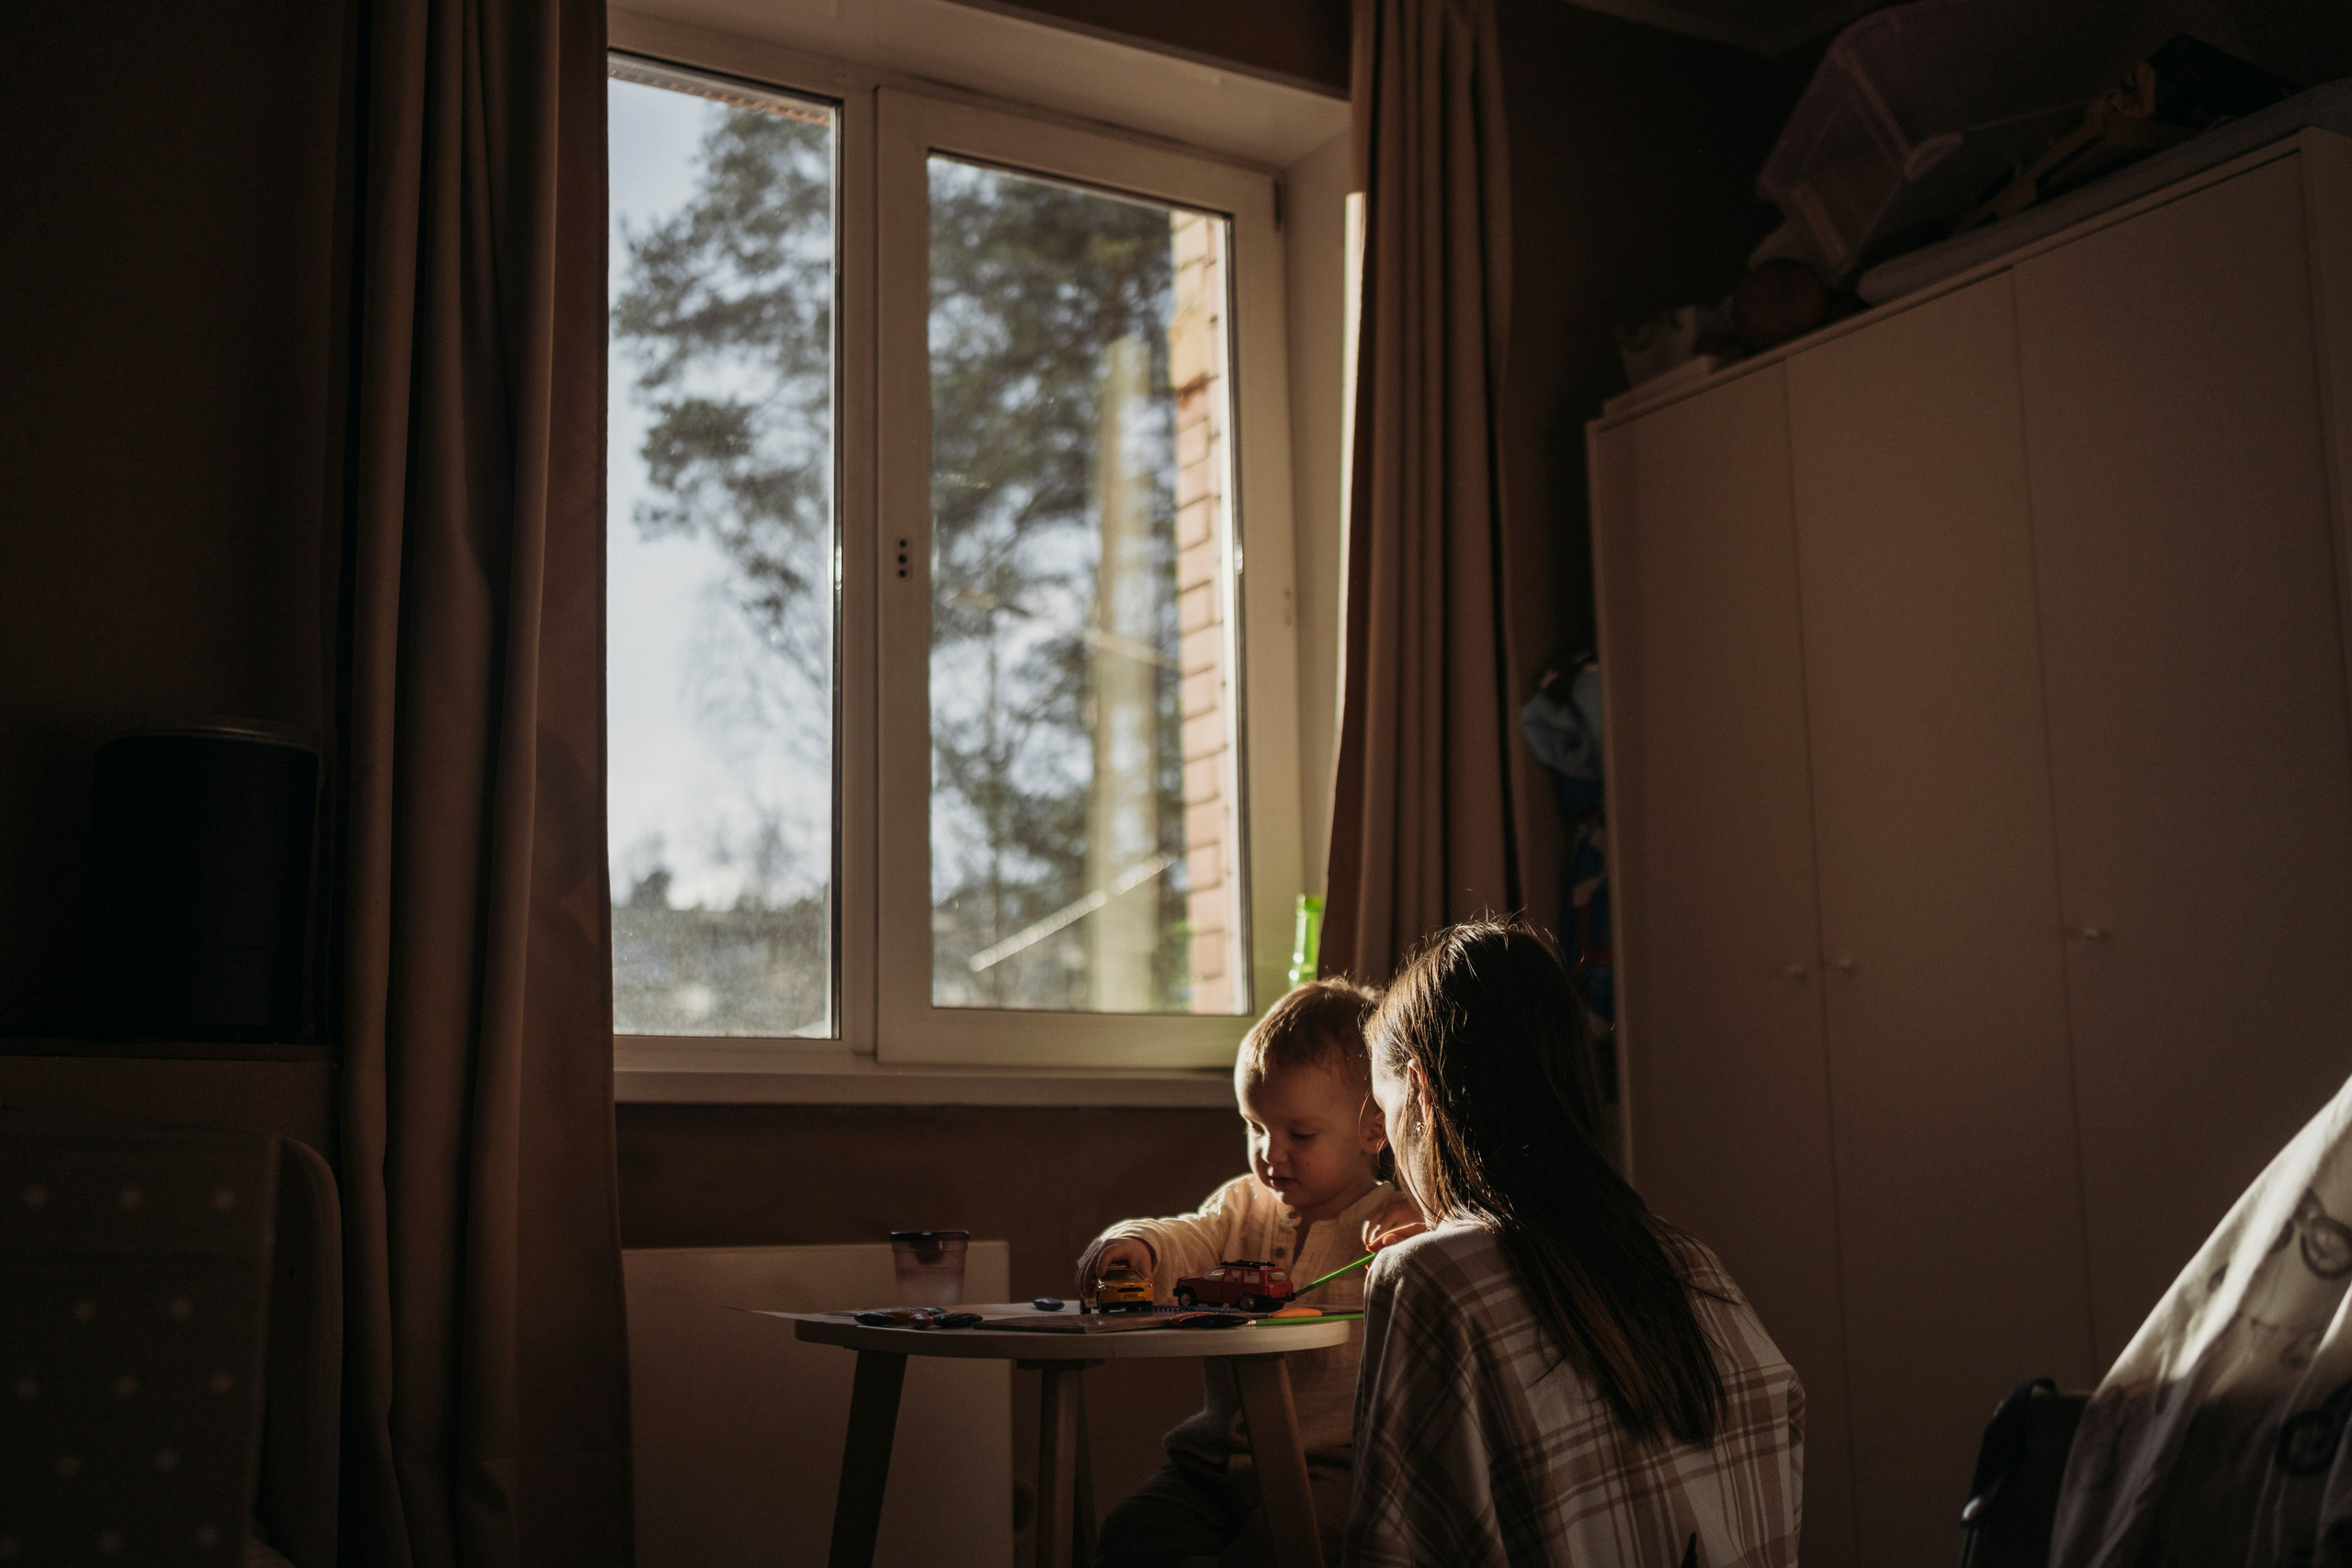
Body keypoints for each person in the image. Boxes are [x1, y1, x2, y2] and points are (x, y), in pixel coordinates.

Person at [1351, 919, 1804, 1567]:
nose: (1386, 1148)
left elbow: (1389, 1552)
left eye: (1384, 1106)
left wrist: (1449, 1257)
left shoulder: (1428, 1280)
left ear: (1421, 1093)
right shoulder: (1692, 1262)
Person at [1080, 979, 1416, 1566]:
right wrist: (1137, 1244)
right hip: (1214, 1465)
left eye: (1299, 1134)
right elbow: (1188, 1237)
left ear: (1374, 1129)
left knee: (1282, 1548)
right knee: (1128, 1535)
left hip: (1334, 1467)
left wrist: (1425, 1222)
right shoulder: (1241, 1206)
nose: (1270, 1153)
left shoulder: (1396, 1224)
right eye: (1255, 1127)